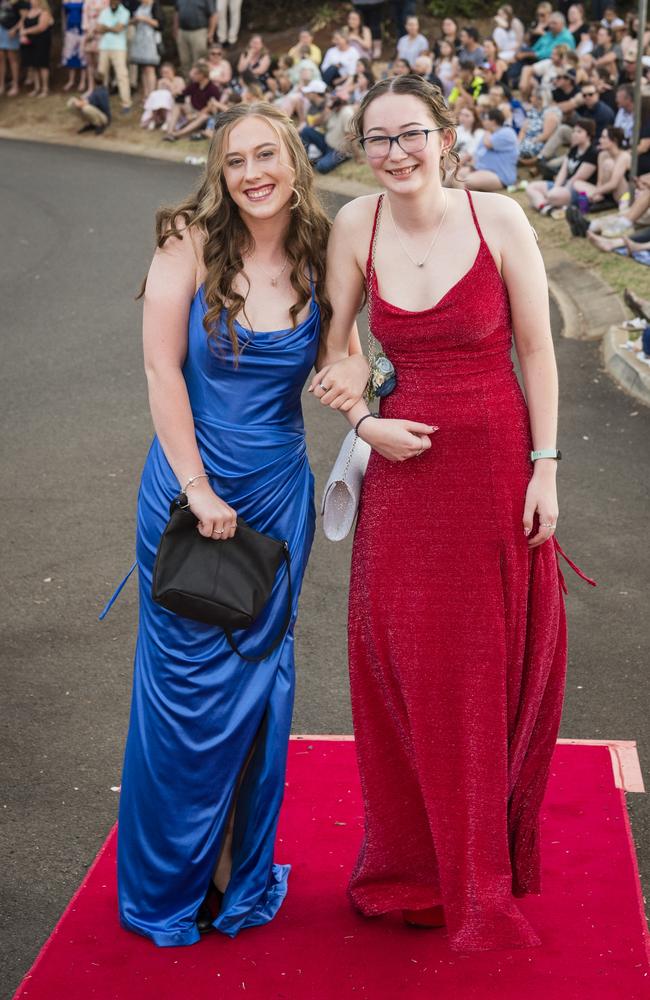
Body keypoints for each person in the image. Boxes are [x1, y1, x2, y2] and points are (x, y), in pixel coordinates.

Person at [311, 72, 592, 953]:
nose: (395, 153)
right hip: (403, 478)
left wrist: (545, 470)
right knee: (404, 664)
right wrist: (367, 423)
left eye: (411, 134)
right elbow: (337, 349)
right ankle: (416, 866)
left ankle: (483, 868)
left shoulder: (498, 220)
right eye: (377, 139)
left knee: (486, 669)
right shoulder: (354, 226)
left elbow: (540, 354)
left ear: (445, 133)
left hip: (497, 471)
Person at [113, 101, 367, 946]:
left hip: (274, 499)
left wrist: (356, 377)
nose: (253, 172)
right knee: (186, 695)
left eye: (268, 155)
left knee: (258, 691)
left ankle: (234, 870)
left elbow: (341, 351)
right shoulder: (187, 239)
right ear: (219, 175)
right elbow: (159, 367)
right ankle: (170, 882)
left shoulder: (321, 251)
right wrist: (195, 485)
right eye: (235, 161)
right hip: (190, 494)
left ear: (295, 161)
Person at [526, 117, 597, 213]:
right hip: (563, 186)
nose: (574, 134)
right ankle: (545, 208)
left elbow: (577, 178)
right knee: (531, 187)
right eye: (574, 131)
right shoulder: (574, 149)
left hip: (576, 190)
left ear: (588, 135)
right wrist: (556, 187)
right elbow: (563, 172)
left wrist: (556, 192)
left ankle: (544, 203)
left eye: (579, 132)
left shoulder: (592, 153)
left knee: (553, 195)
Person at [458, 106, 519, 190]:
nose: (483, 121)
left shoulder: (507, 132)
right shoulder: (487, 134)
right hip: (479, 169)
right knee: (454, 176)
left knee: (465, 182)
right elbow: (478, 153)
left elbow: (488, 144)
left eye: (485, 119)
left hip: (500, 175)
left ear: (493, 121)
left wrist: (487, 131)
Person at [163, 57, 220, 139]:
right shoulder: (194, 85)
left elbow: (212, 107)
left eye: (195, 73)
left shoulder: (213, 89)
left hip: (205, 116)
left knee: (204, 116)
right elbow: (181, 94)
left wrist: (195, 115)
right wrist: (173, 90)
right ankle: (170, 132)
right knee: (178, 104)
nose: (192, 76)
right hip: (193, 111)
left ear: (202, 74)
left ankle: (177, 134)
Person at [300, 92, 355, 173]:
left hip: (339, 150)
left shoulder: (347, 113)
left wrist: (356, 156)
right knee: (306, 130)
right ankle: (303, 161)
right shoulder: (333, 110)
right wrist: (326, 110)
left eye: (334, 100)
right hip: (327, 144)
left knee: (321, 166)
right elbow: (315, 124)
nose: (331, 101)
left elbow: (350, 137)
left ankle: (336, 159)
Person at [96, 0, 131, 112]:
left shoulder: (125, 12)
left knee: (122, 75)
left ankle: (126, 103)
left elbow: (118, 29)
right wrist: (112, 28)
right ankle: (101, 102)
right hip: (104, 46)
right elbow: (98, 28)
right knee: (101, 75)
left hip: (119, 47)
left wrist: (106, 28)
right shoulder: (104, 11)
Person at [172, 0, 215, 77]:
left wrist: (211, 33)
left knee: (199, 61)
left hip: (199, 31)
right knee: (184, 61)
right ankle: (188, 85)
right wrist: (175, 29)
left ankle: (199, 85)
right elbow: (177, 13)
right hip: (182, 32)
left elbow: (213, 14)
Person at [128, 0, 161, 99]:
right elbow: (131, 21)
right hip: (139, 39)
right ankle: (146, 94)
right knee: (143, 68)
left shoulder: (155, 5)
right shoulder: (139, 6)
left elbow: (158, 23)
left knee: (149, 68)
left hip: (150, 40)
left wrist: (144, 19)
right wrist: (135, 20)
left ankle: (152, 94)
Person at [19, 0, 53, 97]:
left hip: (41, 42)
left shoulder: (44, 12)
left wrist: (26, 31)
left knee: (42, 64)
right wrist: (22, 35)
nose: (31, 1)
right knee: (33, 65)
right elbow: (22, 23)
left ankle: (45, 88)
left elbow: (41, 27)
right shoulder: (28, 12)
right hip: (29, 42)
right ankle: (37, 87)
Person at [67, 67, 110, 131]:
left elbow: (82, 104)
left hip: (104, 118)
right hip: (99, 113)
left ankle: (99, 124)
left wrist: (76, 102)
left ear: (94, 81)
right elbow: (86, 100)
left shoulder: (99, 92)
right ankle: (91, 122)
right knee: (73, 101)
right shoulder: (99, 89)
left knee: (85, 108)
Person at [81, 0, 108, 96]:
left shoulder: (106, 1)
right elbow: (84, 17)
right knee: (90, 63)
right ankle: (91, 87)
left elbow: (106, 17)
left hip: (101, 34)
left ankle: (102, 87)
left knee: (101, 63)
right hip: (89, 34)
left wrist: (95, 30)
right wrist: (88, 32)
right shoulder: (87, 2)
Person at [0, 0, 25, 95]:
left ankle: (15, 85)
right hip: (1, 29)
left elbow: (24, 17)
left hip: (11, 31)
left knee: (12, 58)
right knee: (1, 57)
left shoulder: (19, 2)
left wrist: (15, 29)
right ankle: (1, 85)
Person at [61, 0, 87, 92]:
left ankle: (82, 81)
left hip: (82, 31)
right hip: (70, 30)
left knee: (82, 56)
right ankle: (71, 80)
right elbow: (65, 14)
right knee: (70, 55)